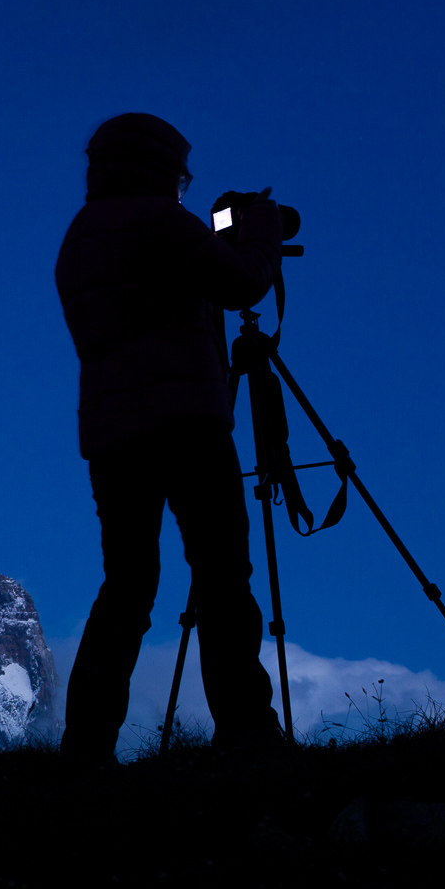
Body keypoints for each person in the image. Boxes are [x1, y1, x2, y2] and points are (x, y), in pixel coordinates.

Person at [54, 113, 286, 765]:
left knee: (126, 586)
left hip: (110, 436)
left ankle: (87, 745)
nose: (184, 188)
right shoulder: (160, 222)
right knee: (221, 573)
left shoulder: (79, 238)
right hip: (187, 421)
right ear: (158, 167)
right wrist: (259, 234)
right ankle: (246, 728)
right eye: (180, 175)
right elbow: (242, 282)